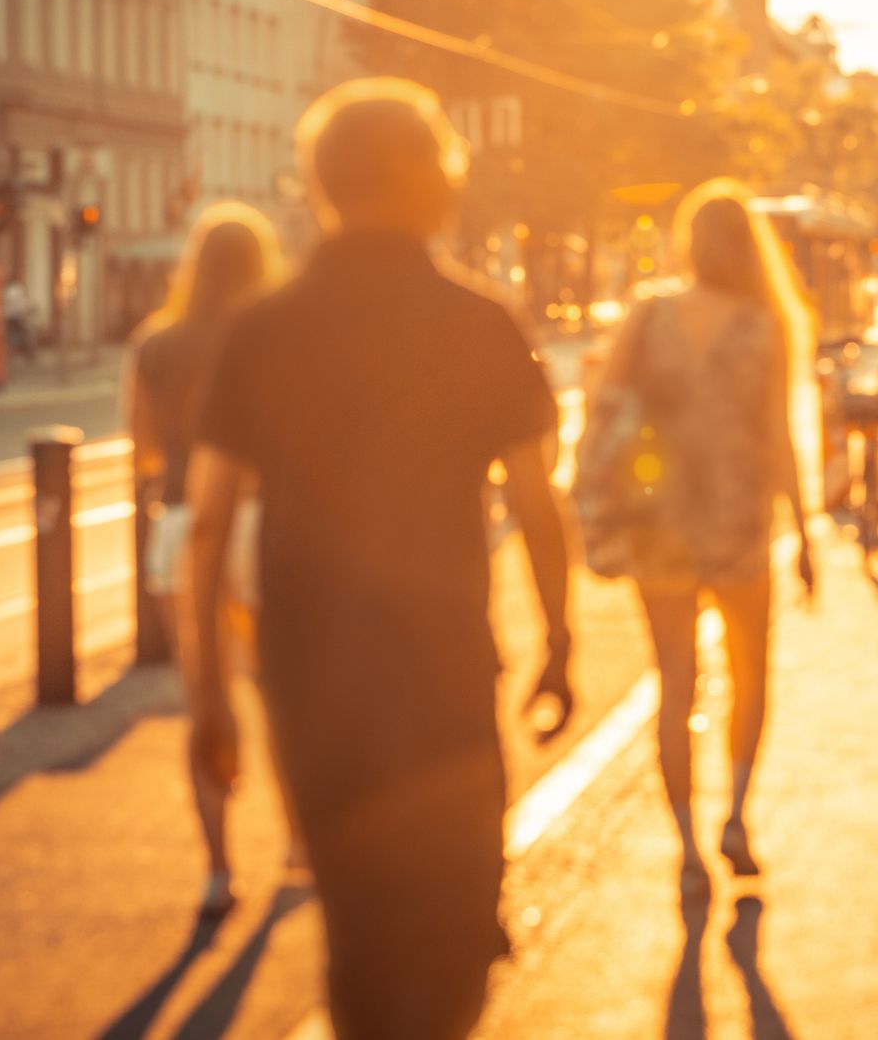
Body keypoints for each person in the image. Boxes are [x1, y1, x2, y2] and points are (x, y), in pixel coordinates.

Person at [181, 77, 576, 1040]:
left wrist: (206, 696)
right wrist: (559, 639)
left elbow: (205, 526)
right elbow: (536, 504)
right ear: (429, 178)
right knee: (455, 923)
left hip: (311, 683)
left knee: (356, 933)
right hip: (441, 672)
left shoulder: (263, 330)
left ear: (321, 186)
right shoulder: (481, 323)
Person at [595, 180, 815, 901]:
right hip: (738, 521)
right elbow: (779, 435)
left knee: (675, 683)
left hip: (658, 524)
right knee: (749, 674)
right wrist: (805, 529)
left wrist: (600, 502)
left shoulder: (648, 315)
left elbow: (603, 412)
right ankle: (737, 817)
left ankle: (686, 846)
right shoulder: (763, 325)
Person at [124, 201, 291, 915]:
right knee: (279, 690)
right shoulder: (277, 335)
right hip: (263, 521)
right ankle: (300, 843)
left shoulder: (156, 345)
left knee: (206, 697)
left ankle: (219, 869)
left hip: (185, 526)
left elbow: (144, 450)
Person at [2, 277, 36, 362]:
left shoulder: (7, 290)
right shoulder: (18, 289)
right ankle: (29, 354)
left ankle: (25, 353)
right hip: (16, 315)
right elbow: (22, 302)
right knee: (24, 334)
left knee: (10, 335)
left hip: (9, 315)